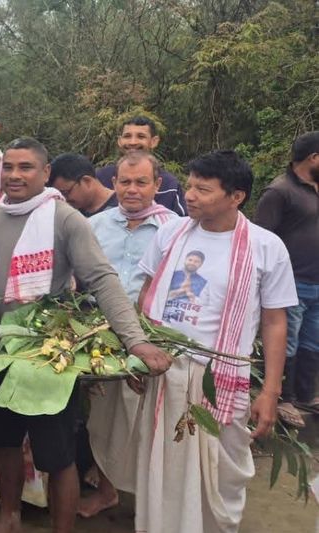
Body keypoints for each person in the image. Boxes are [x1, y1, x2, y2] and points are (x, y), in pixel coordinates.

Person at [0, 138, 172, 533]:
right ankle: (9, 518)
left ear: (45, 173)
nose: (15, 175)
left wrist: (135, 339)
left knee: (57, 455)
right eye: (9, 167)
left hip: (50, 354)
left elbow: (101, 279)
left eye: (26, 167)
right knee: (5, 442)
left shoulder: (65, 220)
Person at [136, 150, 297, 533]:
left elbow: (275, 322)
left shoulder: (265, 247)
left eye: (203, 189)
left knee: (220, 475)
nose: (189, 195)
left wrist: (270, 392)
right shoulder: (170, 232)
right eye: (190, 185)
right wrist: (138, 351)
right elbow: (146, 291)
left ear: (236, 196)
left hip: (221, 378)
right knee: (162, 467)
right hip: (164, 370)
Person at [81, 150, 177, 517]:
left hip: (150, 336)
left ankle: (152, 500)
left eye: (141, 182)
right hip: (97, 334)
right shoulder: (95, 226)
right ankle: (108, 491)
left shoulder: (174, 228)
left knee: (146, 420)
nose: (132, 190)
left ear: (157, 185)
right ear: (113, 183)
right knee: (103, 418)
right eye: (125, 182)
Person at [254, 131, 319, 427]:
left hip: (317, 282)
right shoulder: (279, 192)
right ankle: (285, 399)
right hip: (290, 284)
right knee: (286, 343)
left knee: (312, 342)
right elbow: (260, 240)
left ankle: (307, 395)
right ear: (313, 158)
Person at [95, 116, 187, 215]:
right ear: (119, 141)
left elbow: (182, 225)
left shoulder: (170, 186)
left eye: (141, 136)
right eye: (127, 136)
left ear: (154, 141)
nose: (133, 142)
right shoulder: (101, 178)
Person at [48, 153, 117, 216]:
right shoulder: (71, 215)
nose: (64, 199)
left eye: (65, 193)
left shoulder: (120, 209)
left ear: (87, 181)